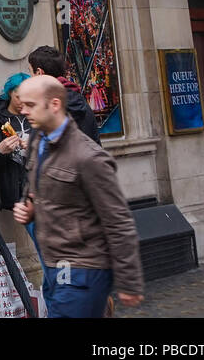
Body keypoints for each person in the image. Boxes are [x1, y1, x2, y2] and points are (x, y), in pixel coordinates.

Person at [13, 75, 144, 317]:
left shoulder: (88, 157)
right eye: (22, 106)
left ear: (54, 104)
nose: (25, 112)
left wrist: (129, 281)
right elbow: (38, 190)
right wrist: (29, 208)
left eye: (31, 105)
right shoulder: (36, 141)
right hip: (53, 264)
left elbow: (118, 221)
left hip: (83, 266)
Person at [28, 46, 101, 144]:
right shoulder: (78, 98)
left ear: (39, 72)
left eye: (31, 72)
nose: (30, 79)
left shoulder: (49, 106)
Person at [0, 73, 32, 210]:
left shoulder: (37, 116)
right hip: (15, 190)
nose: (23, 103)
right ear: (9, 93)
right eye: (18, 97)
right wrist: (0, 150)